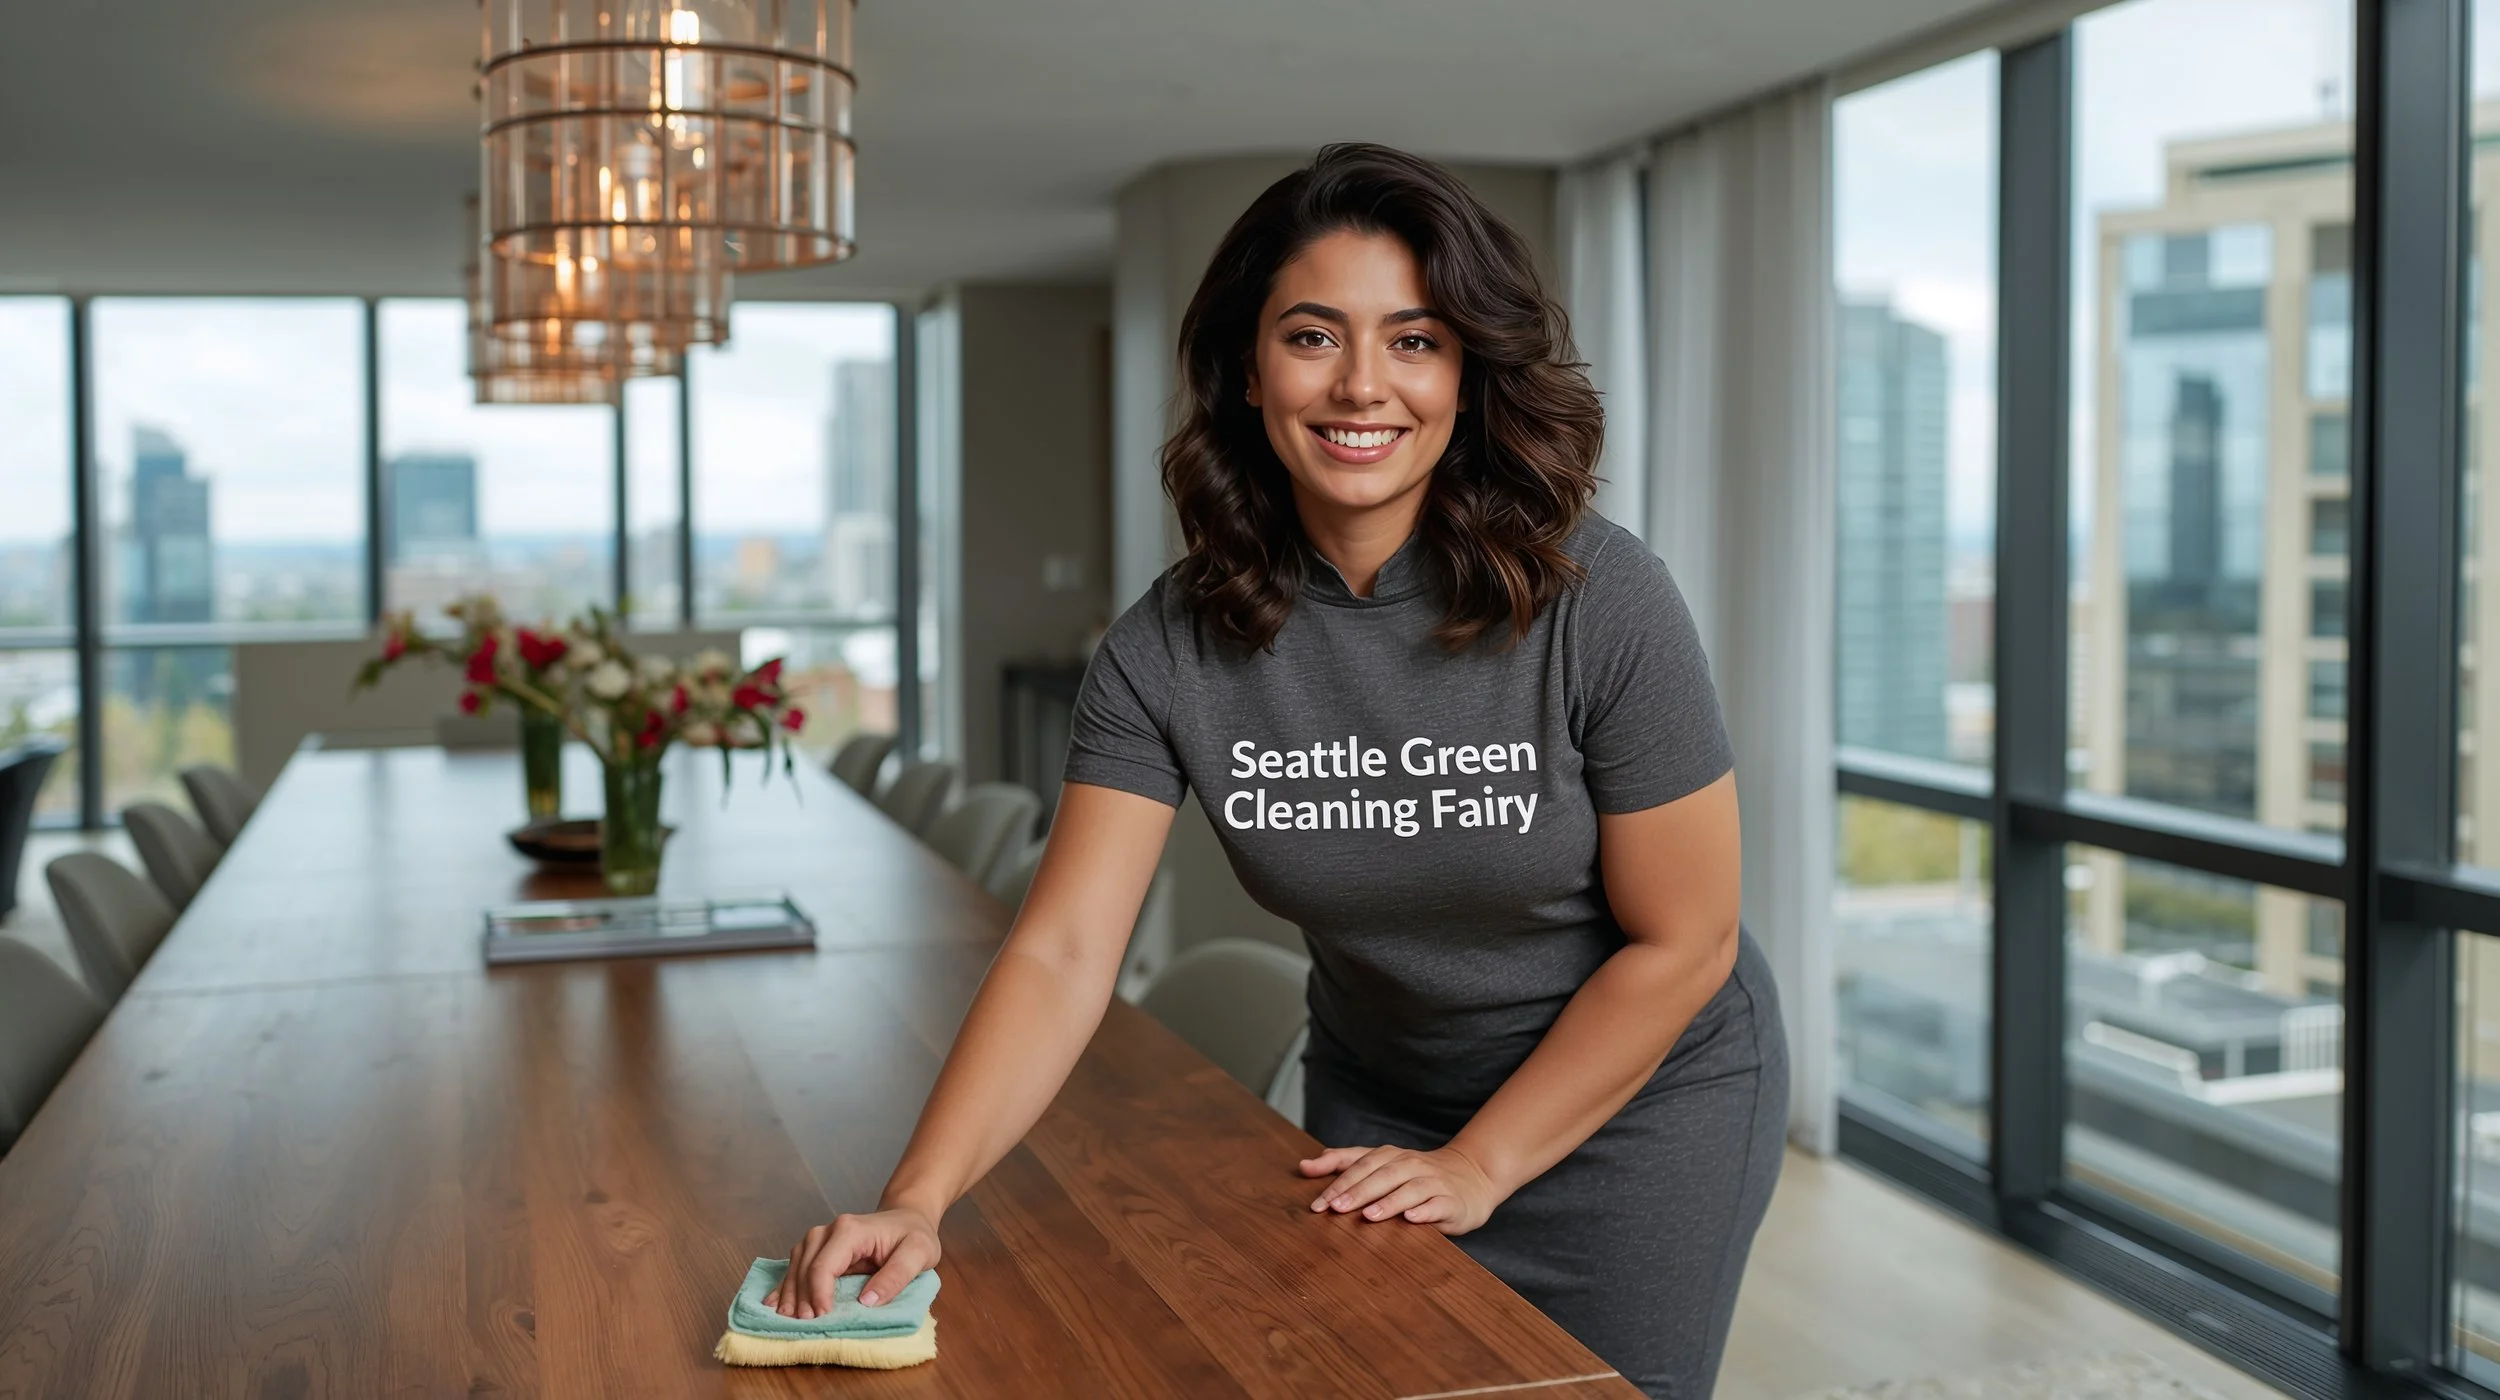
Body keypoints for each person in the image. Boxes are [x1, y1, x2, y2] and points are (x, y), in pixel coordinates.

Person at [766, 142, 1787, 1398]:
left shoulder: (1599, 598)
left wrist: (1483, 1161)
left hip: (1638, 1109)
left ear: (1468, 371)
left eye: (1413, 340)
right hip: (1382, 1100)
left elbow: (1685, 940)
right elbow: (1065, 951)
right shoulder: (1167, 646)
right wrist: (915, 1198)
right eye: (1314, 335)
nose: (1364, 384)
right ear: (1248, 370)